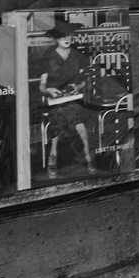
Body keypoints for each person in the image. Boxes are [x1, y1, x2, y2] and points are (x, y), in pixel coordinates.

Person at [37, 21, 98, 175]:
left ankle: (83, 159)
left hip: (74, 99)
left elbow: (84, 80)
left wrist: (77, 87)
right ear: (56, 39)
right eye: (62, 36)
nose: (67, 38)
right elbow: (42, 86)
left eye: (69, 35)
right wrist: (50, 89)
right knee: (61, 118)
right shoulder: (49, 55)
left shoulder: (77, 55)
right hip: (55, 101)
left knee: (76, 117)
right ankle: (58, 158)